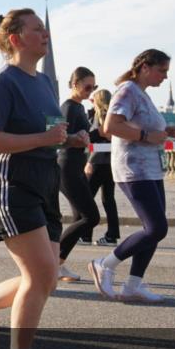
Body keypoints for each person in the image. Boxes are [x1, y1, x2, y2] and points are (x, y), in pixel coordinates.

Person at [0, 8, 67, 349]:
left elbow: (45, 130)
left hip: (46, 181)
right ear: (15, 39)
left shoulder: (43, 81)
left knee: (47, 278)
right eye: (37, 29)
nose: (45, 34)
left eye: (45, 29)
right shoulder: (4, 81)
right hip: (12, 185)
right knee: (40, 276)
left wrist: (67, 138)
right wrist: (43, 139)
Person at [88, 49, 175, 302]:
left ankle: (133, 285)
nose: (165, 76)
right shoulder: (127, 90)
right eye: (162, 70)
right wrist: (148, 136)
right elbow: (111, 126)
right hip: (134, 169)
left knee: (153, 229)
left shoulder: (142, 94)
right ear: (145, 68)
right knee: (157, 228)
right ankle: (104, 263)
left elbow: (141, 125)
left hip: (150, 169)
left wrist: (166, 130)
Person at [55, 68, 98, 280]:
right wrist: (76, 137)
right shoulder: (69, 107)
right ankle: (54, 262)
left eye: (94, 87)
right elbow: (58, 137)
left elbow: (86, 137)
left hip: (76, 166)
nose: (91, 91)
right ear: (75, 84)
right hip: (67, 167)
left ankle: (57, 263)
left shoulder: (79, 107)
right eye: (87, 87)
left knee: (80, 217)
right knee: (91, 217)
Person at [84, 89, 120, 246]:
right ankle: (112, 235)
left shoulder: (101, 116)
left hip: (99, 162)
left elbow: (100, 138)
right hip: (111, 162)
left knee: (86, 198)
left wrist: (90, 161)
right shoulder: (113, 115)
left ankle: (85, 234)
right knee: (108, 199)